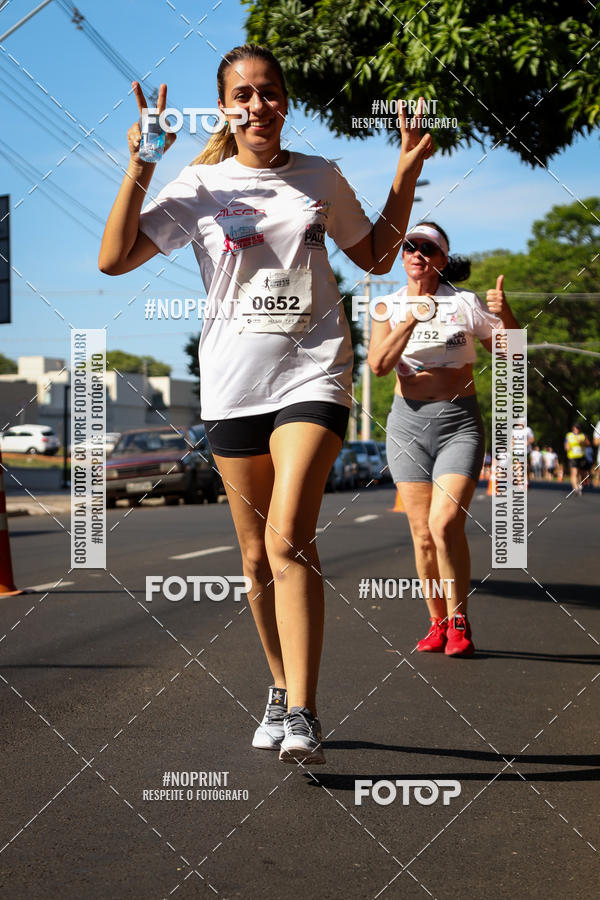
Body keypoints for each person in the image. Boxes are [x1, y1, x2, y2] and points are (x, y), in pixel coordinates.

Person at [98, 44, 433, 763]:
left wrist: (404, 177)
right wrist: (142, 167)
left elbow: (375, 255)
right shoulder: (200, 183)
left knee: (288, 538)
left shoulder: (320, 177)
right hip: (230, 385)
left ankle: (307, 712)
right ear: (226, 107)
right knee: (254, 560)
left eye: (271, 93)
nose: (259, 106)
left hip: (313, 373)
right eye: (244, 95)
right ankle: (279, 688)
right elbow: (114, 258)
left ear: (286, 101)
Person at [368, 223, 519, 657]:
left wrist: (504, 313)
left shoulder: (464, 303)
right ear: (402, 257)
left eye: (427, 247)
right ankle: (436, 622)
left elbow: (511, 351)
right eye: (409, 246)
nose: (417, 252)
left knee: (445, 524)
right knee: (421, 533)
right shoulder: (386, 306)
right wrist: (411, 319)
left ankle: (459, 620)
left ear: (442, 257)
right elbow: (378, 365)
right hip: (406, 425)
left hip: (459, 422)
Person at [564, 423, 588, 496]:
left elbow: (588, 444)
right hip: (572, 457)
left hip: (581, 456)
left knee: (581, 473)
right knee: (574, 472)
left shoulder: (582, 436)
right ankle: (576, 488)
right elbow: (566, 445)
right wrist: (567, 447)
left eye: (578, 428)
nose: (576, 430)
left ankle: (580, 485)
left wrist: (582, 442)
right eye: (575, 428)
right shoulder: (569, 435)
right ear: (573, 428)